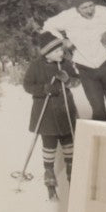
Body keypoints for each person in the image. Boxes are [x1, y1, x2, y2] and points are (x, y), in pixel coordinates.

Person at [22, 32, 79, 201]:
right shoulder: (36, 66)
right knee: (49, 145)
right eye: (56, 52)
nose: (60, 53)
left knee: (69, 143)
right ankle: (49, 177)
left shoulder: (65, 64)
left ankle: (72, 174)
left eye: (61, 50)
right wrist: (43, 89)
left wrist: (68, 80)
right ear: (46, 53)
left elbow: (77, 81)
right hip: (45, 113)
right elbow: (27, 85)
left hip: (65, 111)